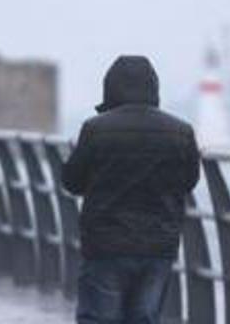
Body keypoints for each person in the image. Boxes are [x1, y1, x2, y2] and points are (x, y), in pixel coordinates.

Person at [62, 55, 201, 324]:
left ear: (110, 87)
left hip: (106, 244)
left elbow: (72, 182)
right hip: (158, 245)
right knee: (145, 318)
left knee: (99, 317)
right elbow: (189, 181)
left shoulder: (95, 129)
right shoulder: (181, 131)